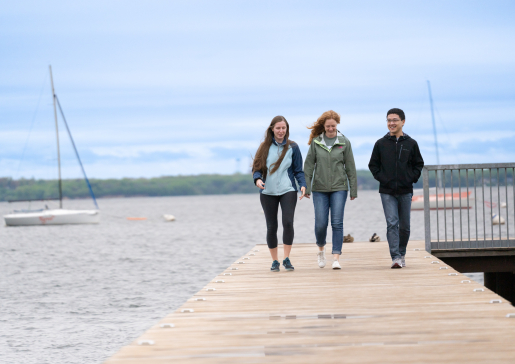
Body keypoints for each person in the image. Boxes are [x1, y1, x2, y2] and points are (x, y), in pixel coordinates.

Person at [368, 108, 424, 269]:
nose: (391, 123)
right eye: (388, 120)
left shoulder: (411, 143)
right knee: (392, 223)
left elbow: (418, 164)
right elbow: (373, 165)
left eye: (394, 120)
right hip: (387, 191)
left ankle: (402, 252)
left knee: (405, 226)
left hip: (406, 190)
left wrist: (410, 179)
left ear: (403, 122)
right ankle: (396, 257)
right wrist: (384, 179)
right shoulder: (381, 143)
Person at [252, 116, 307, 272]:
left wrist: (303, 185)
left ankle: (286, 258)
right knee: (271, 226)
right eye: (278, 128)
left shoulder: (293, 147)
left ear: (287, 129)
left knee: (288, 222)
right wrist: (257, 179)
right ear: (272, 129)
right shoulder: (264, 147)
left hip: (287, 190)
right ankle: (275, 260)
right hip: (267, 191)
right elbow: (256, 169)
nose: (281, 131)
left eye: (284, 128)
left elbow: (298, 170)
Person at [304, 110, 357, 269]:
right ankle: (321, 250)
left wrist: (353, 190)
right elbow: (308, 167)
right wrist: (306, 187)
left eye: (333, 126)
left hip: (339, 188)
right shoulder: (316, 142)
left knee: (337, 223)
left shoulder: (344, 142)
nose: (331, 129)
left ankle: (336, 258)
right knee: (320, 223)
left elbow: (350, 167)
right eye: (328, 126)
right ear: (324, 126)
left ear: (337, 125)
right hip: (319, 188)